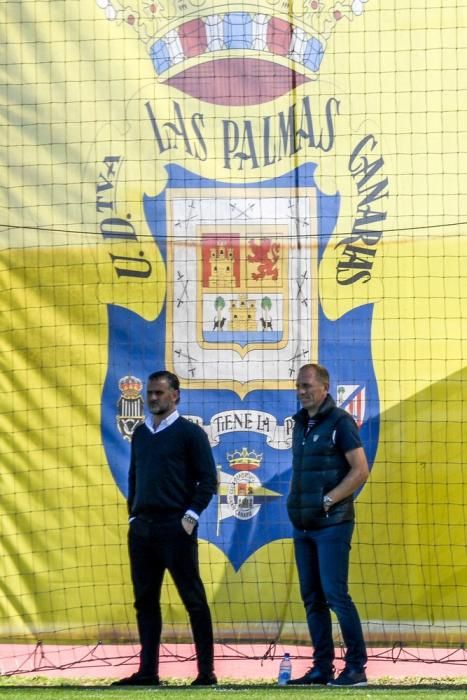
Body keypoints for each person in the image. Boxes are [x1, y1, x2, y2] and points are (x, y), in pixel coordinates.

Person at [113, 370, 218, 687]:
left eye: (159, 392)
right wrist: (133, 517)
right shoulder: (141, 433)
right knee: (145, 602)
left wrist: (190, 516)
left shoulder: (190, 433)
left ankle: (206, 673)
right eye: (151, 392)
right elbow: (134, 477)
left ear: (176, 396)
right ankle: (148, 673)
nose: (153, 398)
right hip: (143, 530)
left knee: (193, 599)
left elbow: (208, 481)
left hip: (176, 529)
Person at [286, 363, 369, 687]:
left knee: (336, 595)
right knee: (312, 598)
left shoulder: (341, 422)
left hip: (332, 525)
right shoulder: (299, 424)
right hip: (303, 525)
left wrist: (328, 500)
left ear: (324, 388)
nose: (302, 391)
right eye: (298, 386)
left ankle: (356, 668)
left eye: (307, 385)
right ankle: (322, 668)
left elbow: (360, 470)